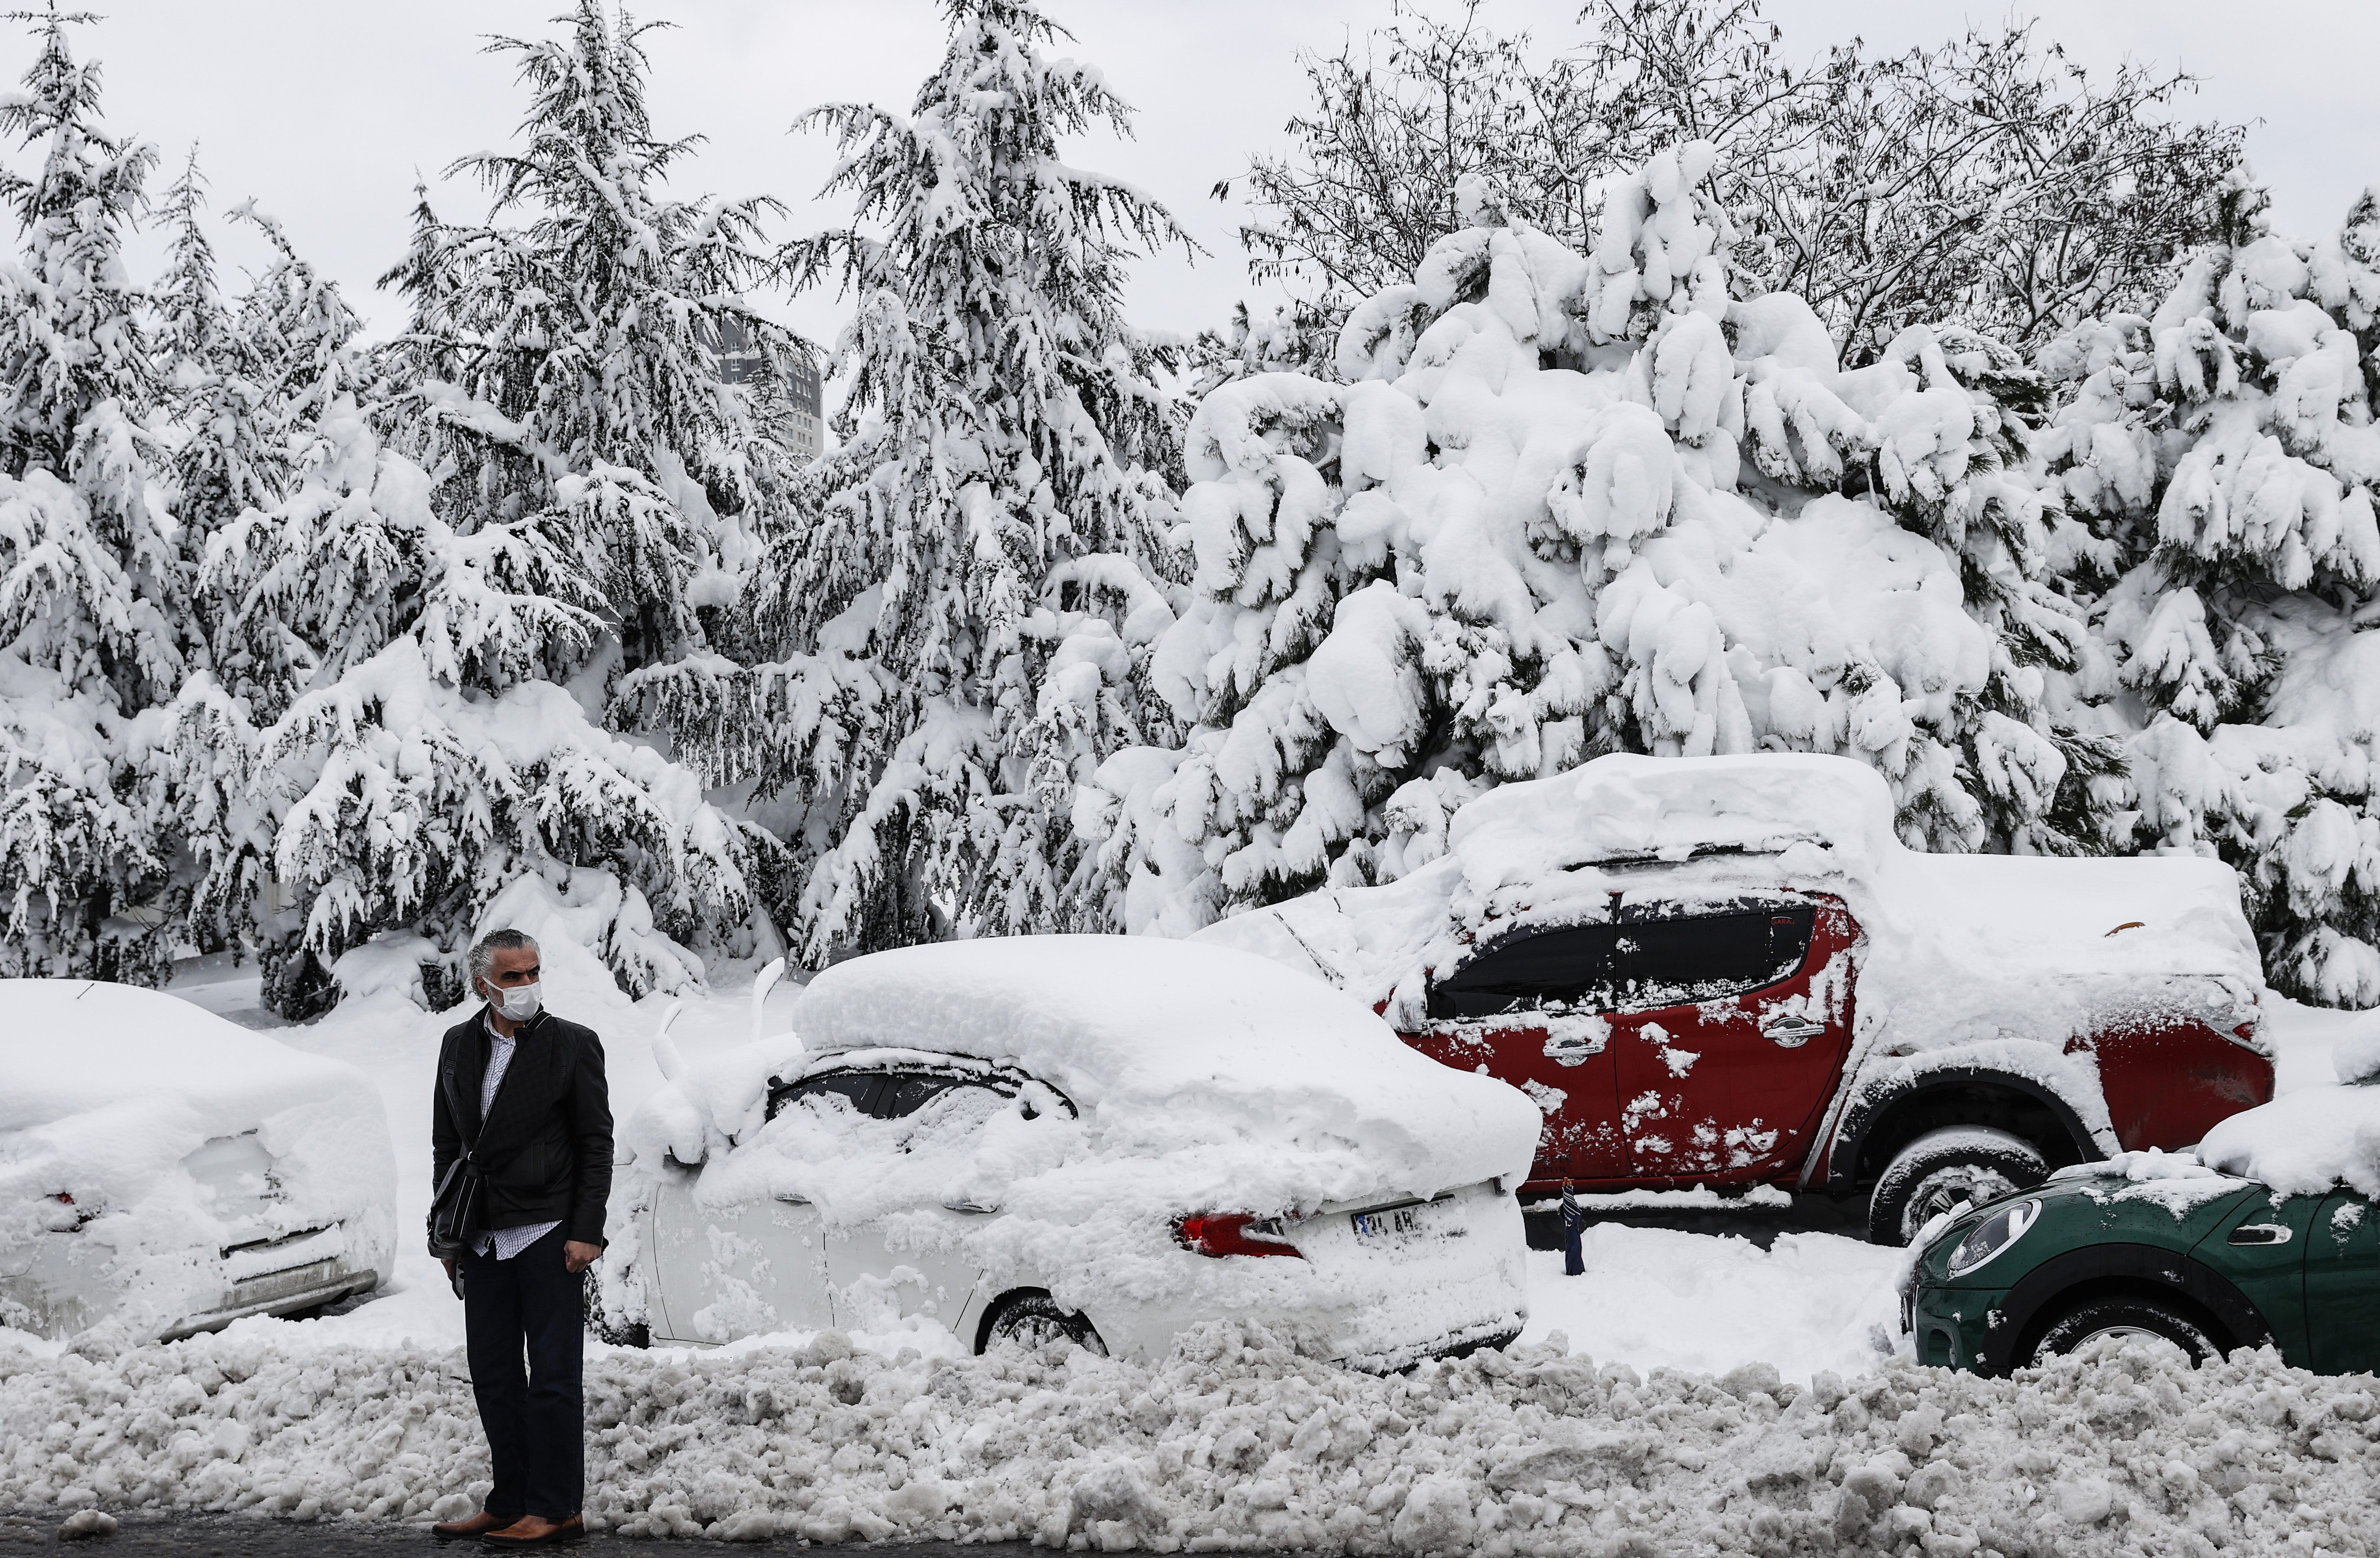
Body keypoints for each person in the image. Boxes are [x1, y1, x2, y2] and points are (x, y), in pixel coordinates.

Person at [428, 929, 613, 1549]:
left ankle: (557, 1508)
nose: (526, 985)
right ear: (482, 982)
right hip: (481, 1234)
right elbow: (448, 1146)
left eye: (533, 972)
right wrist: (449, 1235)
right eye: (511, 976)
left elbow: (595, 1142)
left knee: (554, 1376)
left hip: (547, 1229)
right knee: (495, 1374)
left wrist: (586, 1229)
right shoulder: (457, 1045)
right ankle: (510, 1501)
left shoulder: (571, 1044)